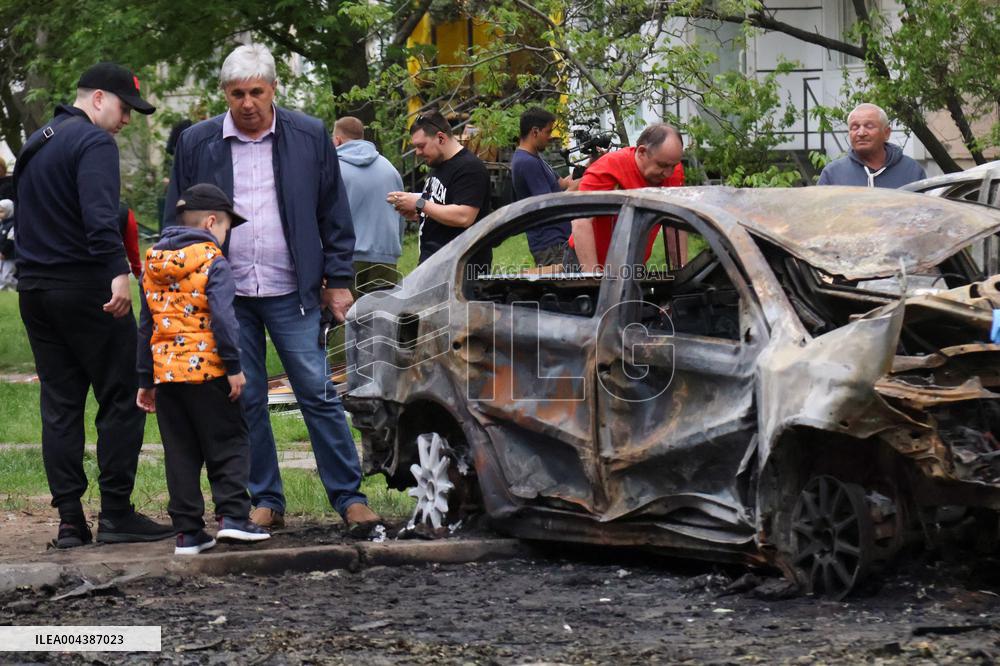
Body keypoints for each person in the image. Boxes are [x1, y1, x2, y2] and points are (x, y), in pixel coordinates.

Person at [164, 44, 381, 535]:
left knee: (318, 392)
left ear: (273, 89)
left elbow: (333, 211)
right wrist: (180, 284)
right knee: (246, 398)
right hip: (226, 295)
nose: (247, 103)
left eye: (256, 92)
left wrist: (340, 279)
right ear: (225, 93)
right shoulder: (198, 142)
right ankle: (265, 499)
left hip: (294, 291)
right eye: (237, 93)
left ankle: (349, 498)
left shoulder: (307, 135)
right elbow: (175, 216)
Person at [14, 62, 173, 548]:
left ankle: (68, 521)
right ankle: (118, 514)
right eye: (126, 109)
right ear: (99, 98)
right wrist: (118, 274)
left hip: (35, 290)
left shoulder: (37, 140)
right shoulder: (93, 143)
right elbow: (100, 217)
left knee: (60, 405)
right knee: (122, 395)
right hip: (87, 289)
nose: (127, 120)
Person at [137, 184, 271, 555]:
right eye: (227, 227)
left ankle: (188, 533)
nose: (226, 235)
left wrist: (144, 380)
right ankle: (232, 517)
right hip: (209, 373)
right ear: (212, 222)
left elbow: (146, 326)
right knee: (228, 442)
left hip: (167, 376)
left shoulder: (152, 264)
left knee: (180, 453)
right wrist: (234, 367)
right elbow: (224, 319)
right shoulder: (214, 262)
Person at [565, 123, 685, 272]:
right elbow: (581, 222)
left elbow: (675, 225)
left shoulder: (673, 170)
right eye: (662, 165)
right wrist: (592, 278)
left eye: (673, 166)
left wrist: (681, 270)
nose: (668, 173)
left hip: (633, 263)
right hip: (586, 261)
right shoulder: (607, 169)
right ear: (641, 152)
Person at [387, 111, 491, 268]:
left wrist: (419, 204)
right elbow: (441, 206)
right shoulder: (438, 163)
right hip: (433, 267)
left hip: (458, 272)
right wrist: (419, 214)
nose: (417, 152)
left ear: (441, 138)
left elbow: (464, 217)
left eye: (421, 146)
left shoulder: (470, 168)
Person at [333, 116, 404, 296]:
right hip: (386, 257)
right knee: (381, 320)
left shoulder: (333, 169)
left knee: (345, 319)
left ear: (337, 140)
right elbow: (401, 212)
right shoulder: (390, 169)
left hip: (346, 259)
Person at [510, 107, 577, 268]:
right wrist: (582, 185)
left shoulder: (534, 158)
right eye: (547, 132)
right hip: (551, 244)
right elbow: (550, 203)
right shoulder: (527, 163)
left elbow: (562, 184)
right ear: (535, 131)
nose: (550, 137)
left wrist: (592, 166)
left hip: (557, 241)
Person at [817, 103, 927, 188]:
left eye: (869, 126)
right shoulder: (833, 174)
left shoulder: (911, 171)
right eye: (855, 127)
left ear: (886, 133)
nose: (861, 133)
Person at [0, 199, 15, 290]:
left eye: (1, 212)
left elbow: (11, 240)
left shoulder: (13, 224)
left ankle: (18, 287)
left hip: (10, 255)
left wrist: (3, 252)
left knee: (6, 276)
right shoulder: (2, 224)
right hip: (1, 254)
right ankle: (4, 291)